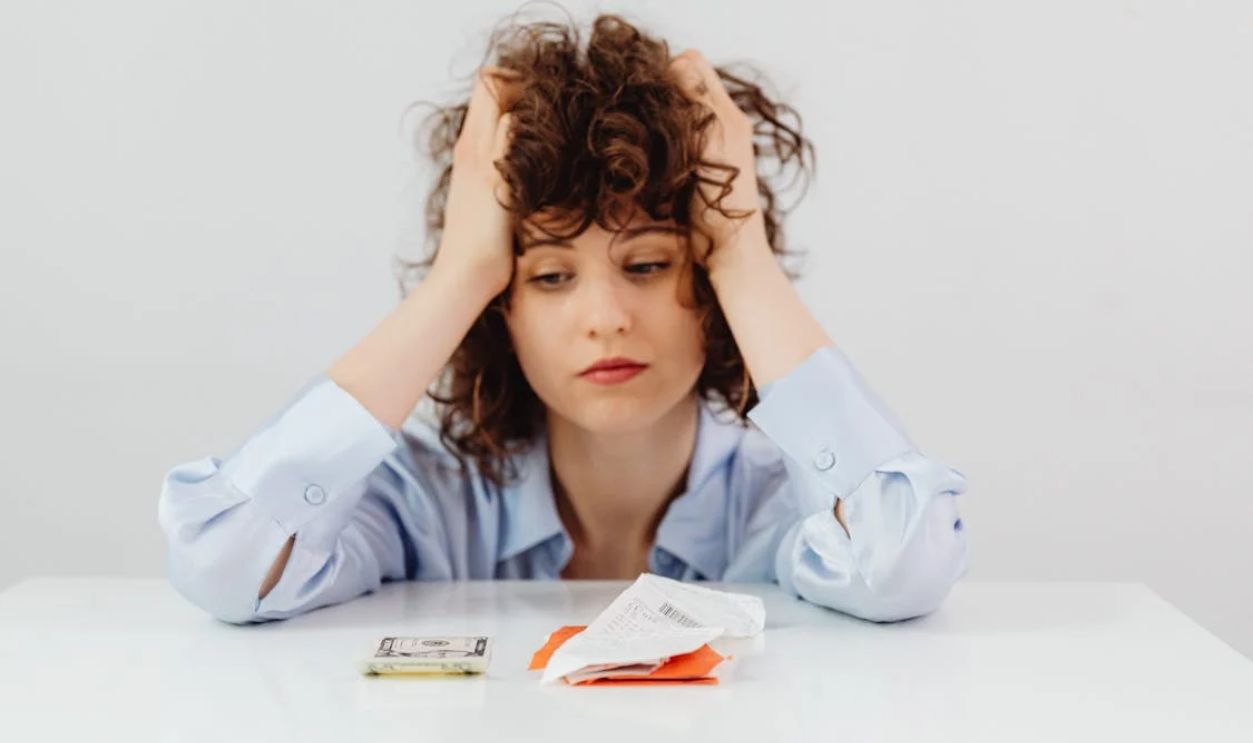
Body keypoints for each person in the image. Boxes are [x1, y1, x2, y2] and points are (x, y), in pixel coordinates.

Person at [157, 12, 969, 625]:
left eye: (647, 264)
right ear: (500, 310)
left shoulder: (778, 505)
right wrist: (462, 272)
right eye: (549, 276)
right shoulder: (428, 504)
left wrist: (741, 250)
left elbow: (900, 562)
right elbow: (226, 564)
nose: (606, 318)